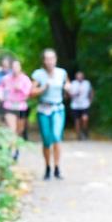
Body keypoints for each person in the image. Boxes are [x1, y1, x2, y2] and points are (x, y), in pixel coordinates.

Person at [30, 49, 70, 180]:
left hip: (58, 109)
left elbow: (68, 84)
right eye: (47, 59)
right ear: (43, 61)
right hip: (43, 109)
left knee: (57, 137)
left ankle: (57, 167)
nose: (50, 61)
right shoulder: (38, 74)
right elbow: (31, 92)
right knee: (47, 139)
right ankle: (47, 167)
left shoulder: (62, 73)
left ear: (56, 59)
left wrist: (68, 87)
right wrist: (43, 88)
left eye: (52, 58)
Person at [0, 58, 32, 162]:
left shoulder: (25, 79)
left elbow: (29, 93)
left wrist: (20, 88)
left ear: (20, 67)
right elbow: (0, 88)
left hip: (21, 107)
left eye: (17, 66)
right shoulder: (6, 79)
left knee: (19, 130)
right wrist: (0, 96)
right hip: (9, 106)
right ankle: (11, 151)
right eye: (13, 67)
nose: (15, 69)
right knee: (11, 129)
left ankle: (15, 148)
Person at [68, 71, 93, 140]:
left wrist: (90, 101)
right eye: (78, 76)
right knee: (77, 121)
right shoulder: (73, 84)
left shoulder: (87, 83)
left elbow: (91, 92)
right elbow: (69, 94)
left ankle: (84, 131)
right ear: (76, 77)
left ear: (83, 77)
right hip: (75, 105)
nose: (79, 77)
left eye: (80, 76)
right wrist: (74, 94)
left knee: (85, 119)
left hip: (85, 105)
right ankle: (78, 135)